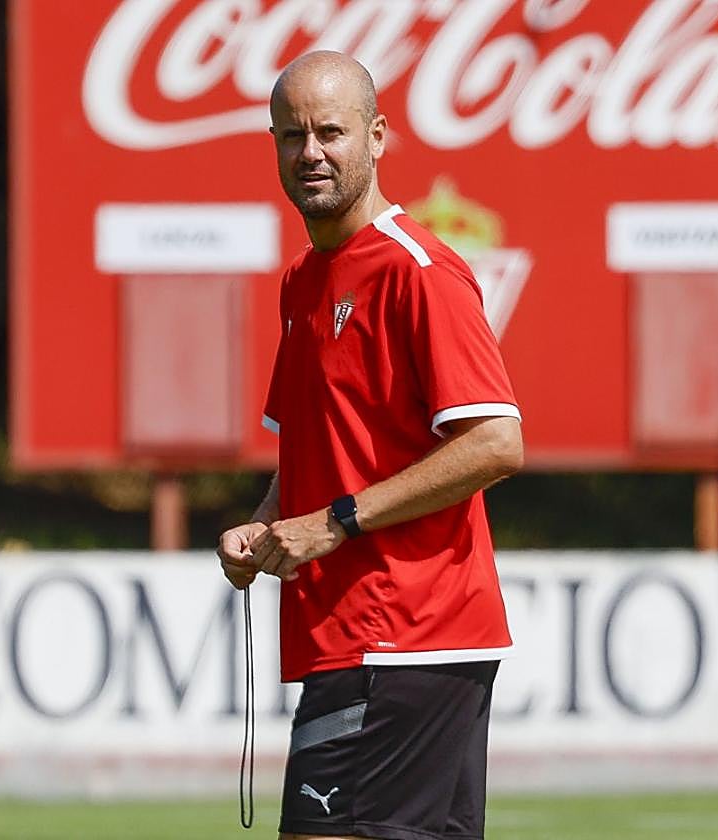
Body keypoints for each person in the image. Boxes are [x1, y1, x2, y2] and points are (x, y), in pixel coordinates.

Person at [217, 51, 524, 840]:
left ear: (377, 136)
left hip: (400, 635)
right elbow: (312, 458)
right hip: (369, 641)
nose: (310, 152)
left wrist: (335, 522)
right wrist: (265, 524)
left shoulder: (420, 271)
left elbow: (494, 442)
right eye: (291, 135)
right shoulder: (303, 281)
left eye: (330, 131)